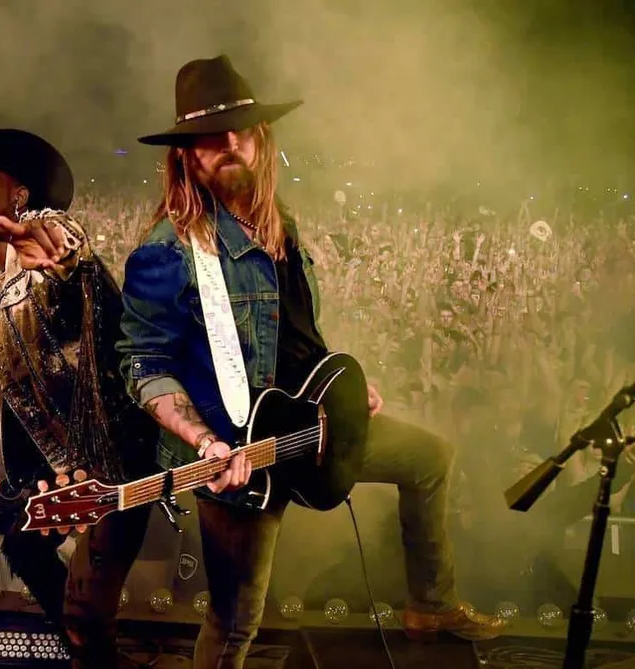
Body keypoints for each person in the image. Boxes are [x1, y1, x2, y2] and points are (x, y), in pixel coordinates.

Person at [117, 56, 503, 668]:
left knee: (430, 458)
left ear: (263, 140)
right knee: (235, 624)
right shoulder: (167, 251)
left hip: (317, 425)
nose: (229, 145)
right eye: (209, 140)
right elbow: (143, 363)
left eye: (240, 130)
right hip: (240, 456)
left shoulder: (280, 227)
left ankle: (432, 601)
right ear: (186, 157)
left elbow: (297, 334)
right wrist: (203, 439)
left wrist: (346, 390)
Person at [0, 129, 160, 668]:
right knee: (27, 553)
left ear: (20, 195)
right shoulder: (3, 291)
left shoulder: (46, 254)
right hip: (49, 478)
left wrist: (65, 256)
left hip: (103, 467)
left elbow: (79, 280)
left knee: (85, 618)